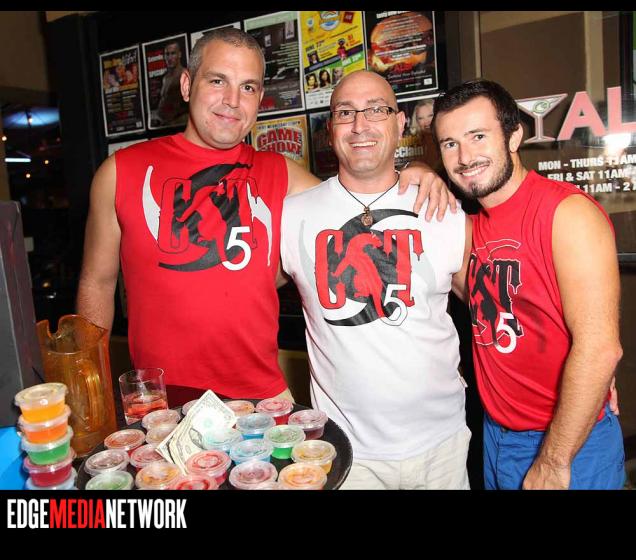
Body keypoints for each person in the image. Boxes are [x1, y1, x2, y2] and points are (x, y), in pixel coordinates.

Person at [77, 29, 455, 403]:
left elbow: (356, 198)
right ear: (187, 85)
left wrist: (415, 170)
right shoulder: (120, 172)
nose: (232, 101)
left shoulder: (281, 174)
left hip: (262, 404)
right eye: (217, 81)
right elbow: (97, 283)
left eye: (248, 87)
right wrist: (89, 391)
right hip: (162, 406)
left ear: (259, 99)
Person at [280, 70, 472, 490]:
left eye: (376, 110)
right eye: (345, 112)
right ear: (330, 129)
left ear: (400, 123)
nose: (360, 125)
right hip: (346, 452)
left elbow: (491, 310)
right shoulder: (292, 217)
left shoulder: (444, 210)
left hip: (441, 444)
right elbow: (239, 300)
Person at [432, 79, 625, 490]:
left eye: (478, 136)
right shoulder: (469, 228)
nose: (465, 157)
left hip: (566, 443)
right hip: (496, 436)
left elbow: (600, 348)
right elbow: (483, 299)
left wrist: (554, 460)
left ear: (514, 135)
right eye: (450, 143)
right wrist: (417, 170)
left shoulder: (567, 214)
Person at [155, 41, 189, 126]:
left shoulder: (185, 75)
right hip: (164, 125)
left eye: (173, 53)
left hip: (178, 124)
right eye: (167, 54)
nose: (169, 58)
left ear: (179, 55)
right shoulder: (165, 78)